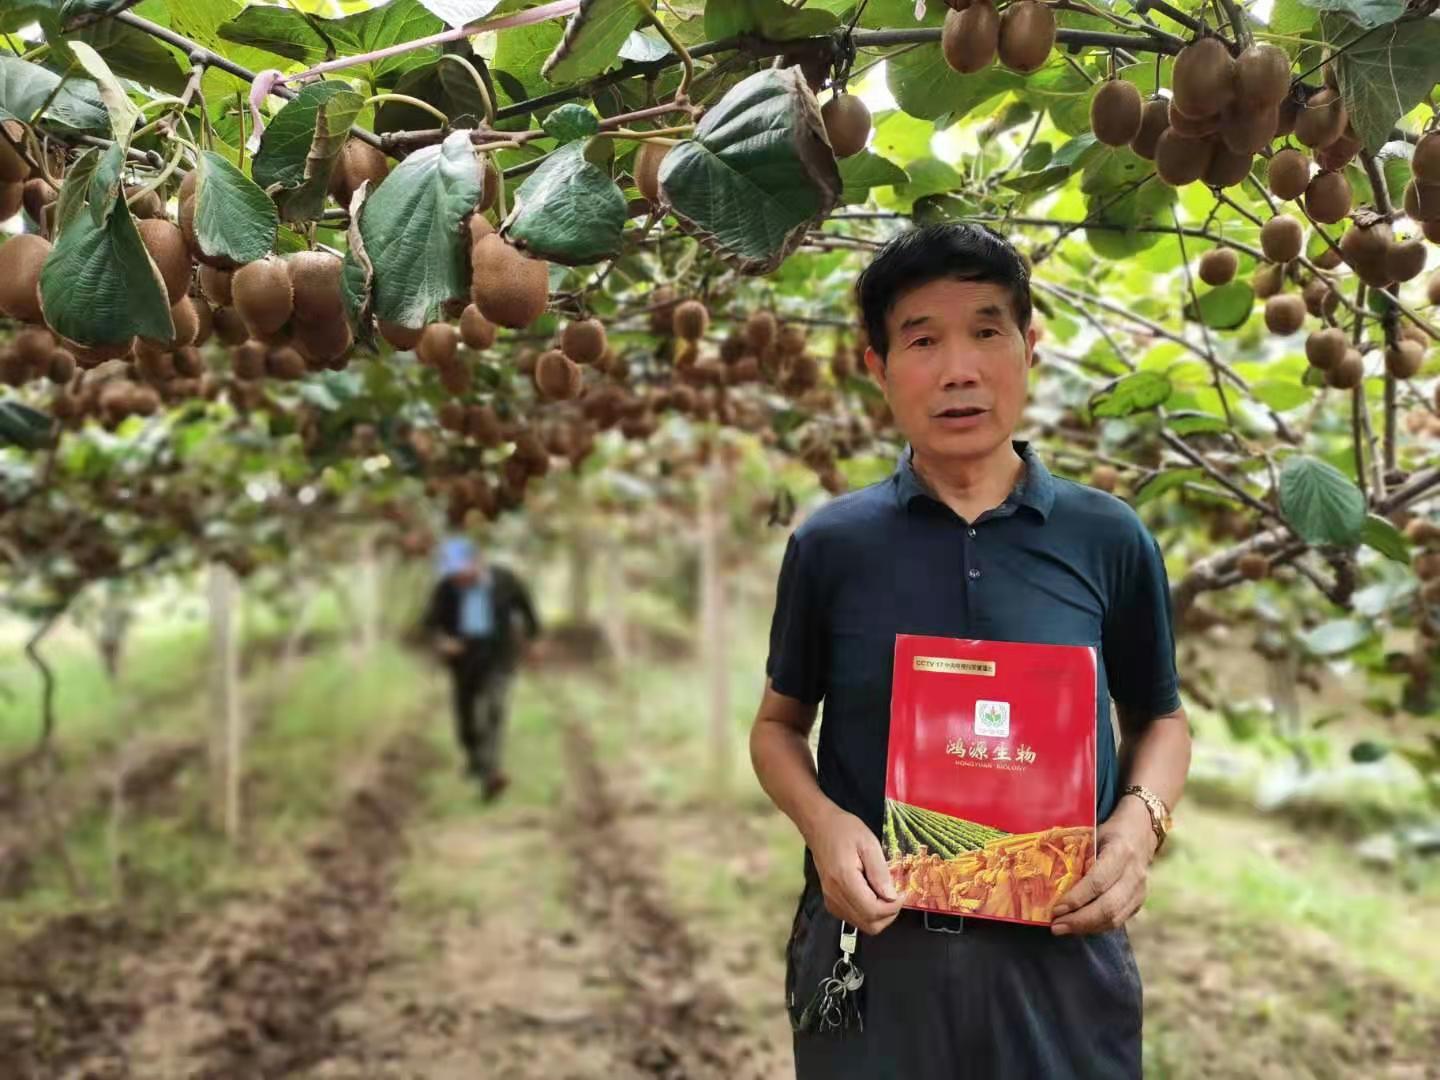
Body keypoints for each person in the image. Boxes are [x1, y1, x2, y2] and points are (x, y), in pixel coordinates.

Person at [749, 223, 1191, 1078]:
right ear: (877, 367)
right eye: (922, 340)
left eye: (987, 332)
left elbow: (1162, 721)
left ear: (1030, 347)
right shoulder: (834, 546)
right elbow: (776, 728)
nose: (959, 370)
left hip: (1061, 958)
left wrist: (1138, 830)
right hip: (876, 954)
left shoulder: (1107, 537)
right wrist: (825, 826)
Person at [423, 536, 541, 801]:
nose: (459, 581)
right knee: (466, 721)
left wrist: (532, 641)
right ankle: (475, 758)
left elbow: (527, 609)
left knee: (494, 710)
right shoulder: (446, 588)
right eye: (454, 576)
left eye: (462, 574)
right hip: (463, 662)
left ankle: (491, 774)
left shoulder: (505, 580)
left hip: (499, 657)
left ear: (476, 562)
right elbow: (431, 623)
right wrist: (444, 641)